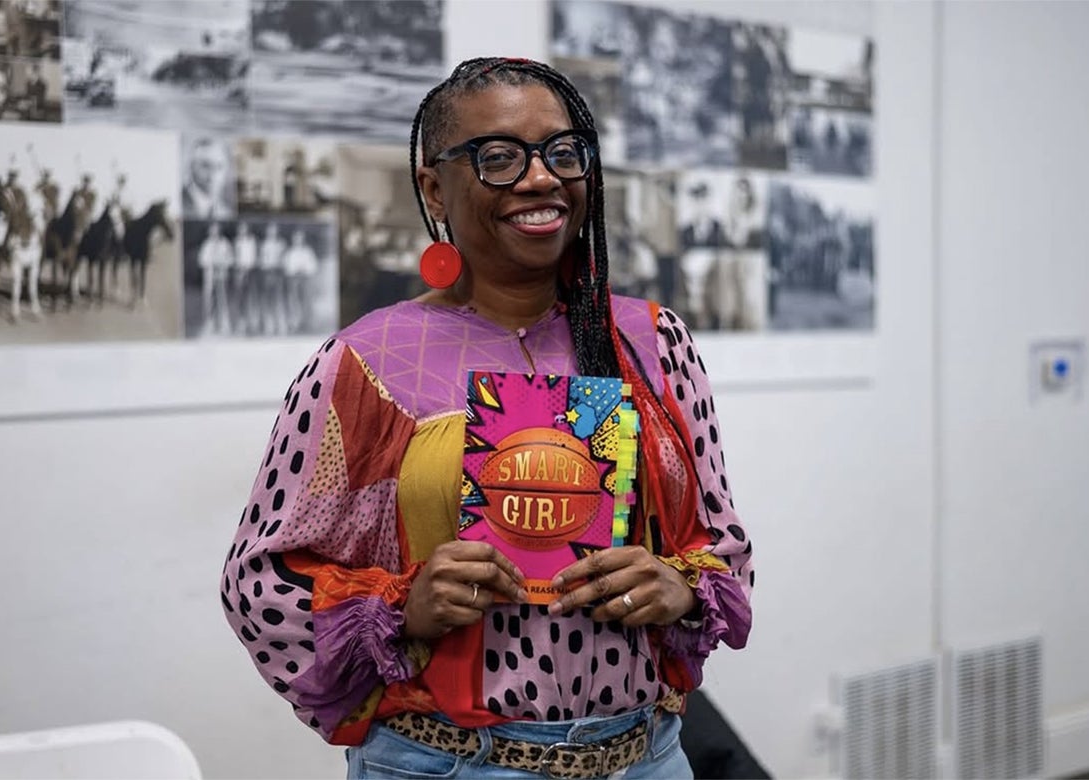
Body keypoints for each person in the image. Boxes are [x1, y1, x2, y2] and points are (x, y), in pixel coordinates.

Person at [221, 57, 753, 779]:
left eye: (563, 152)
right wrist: (404, 605)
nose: (540, 178)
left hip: (644, 758)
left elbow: (722, 546)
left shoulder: (654, 343)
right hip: (450, 765)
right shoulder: (367, 362)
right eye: (498, 158)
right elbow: (258, 586)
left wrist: (681, 587)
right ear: (434, 186)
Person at [183, 137, 233, 219]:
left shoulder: (227, 212)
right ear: (191, 167)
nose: (213, 174)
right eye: (206, 165)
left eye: (219, 166)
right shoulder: (178, 202)